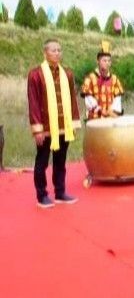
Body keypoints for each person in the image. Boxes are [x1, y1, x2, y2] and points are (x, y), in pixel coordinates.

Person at [27, 39, 81, 208]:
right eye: (53, 50)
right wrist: (37, 130)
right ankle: (41, 195)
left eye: (59, 50)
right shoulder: (36, 74)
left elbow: (72, 100)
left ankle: (60, 192)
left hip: (64, 125)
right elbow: (33, 102)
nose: (57, 53)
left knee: (60, 161)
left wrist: (73, 123)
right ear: (45, 53)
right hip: (46, 128)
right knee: (42, 162)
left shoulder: (67, 74)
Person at [81, 41, 124, 120]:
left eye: (109, 61)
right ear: (98, 61)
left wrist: (111, 111)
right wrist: (100, 109)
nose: (107, 63)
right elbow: (89, 99)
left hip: (110, 117)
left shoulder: (114, 79)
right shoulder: (90, 78)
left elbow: (117, 98)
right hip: (95, 117)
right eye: (104, 60)